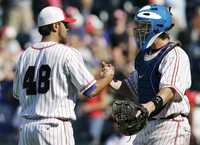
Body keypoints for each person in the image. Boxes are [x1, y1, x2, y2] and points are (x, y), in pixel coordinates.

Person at [13, 6, 114, 145]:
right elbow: (91, 90)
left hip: (26, 129)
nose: (67, 28)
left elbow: (17, 94)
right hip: (54, 129)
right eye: (65, 24)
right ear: (55, 26)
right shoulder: (67, 53)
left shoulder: (24, 55)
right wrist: (107, 78)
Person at [109, 4, 191, 145]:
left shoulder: (175, 54)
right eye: (138, 25)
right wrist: (109, 80)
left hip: (169, 124)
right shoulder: (142, 56)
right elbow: (132, 88)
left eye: (144, 26)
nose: (139, 30)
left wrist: (148, 107)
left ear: (157, 27)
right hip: (147, 125)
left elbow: (170, 90)